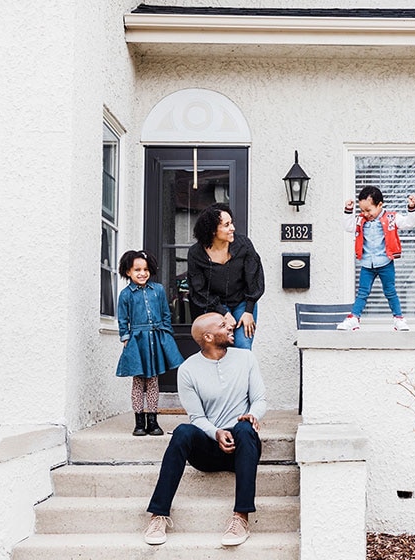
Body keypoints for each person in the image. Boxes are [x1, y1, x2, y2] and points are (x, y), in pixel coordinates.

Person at [143, 312, 267, 547]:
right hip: (208, 450)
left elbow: (260, 398)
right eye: (223, 325)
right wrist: (216, 433)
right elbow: (197, 417)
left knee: (244, 428)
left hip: (243, 446)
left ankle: (241, 517)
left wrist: (253, 414)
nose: (230, 325)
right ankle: (158, 515)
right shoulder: (188, 370)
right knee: (182, 431)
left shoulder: (246, 358)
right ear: (208, 337)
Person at [116, 250, 184, 436]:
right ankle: (139, 422)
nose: (142, 273)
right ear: (128, 271)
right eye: (137, 269)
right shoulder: (126, 295)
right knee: (138, 381)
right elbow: (123, 319)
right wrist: (125, 337)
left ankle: (153, 421)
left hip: (155, 338)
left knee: (153, 381)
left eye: (145, 269)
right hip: (137, 340)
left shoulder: (158, 290)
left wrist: (166, 334)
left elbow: (165, 313)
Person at [337, 186, 415, 331]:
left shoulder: (391, 218)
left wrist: (411, 208)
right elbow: (348, 226)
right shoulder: (360, 220)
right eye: (362, 210)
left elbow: (409, 223)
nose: (366, 214)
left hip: (385, 262)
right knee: (362, 292)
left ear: (380, 205)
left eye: (369, 210)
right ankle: (354, 318)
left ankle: (398, 319)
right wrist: (348, 211)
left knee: (390, 291)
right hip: (367, 263)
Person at [187, 203, 265, 350]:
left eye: (232, 223)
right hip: (212, 304)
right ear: (213, 231)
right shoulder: (196, 253)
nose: (233, 228)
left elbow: (254, 279)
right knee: (218, 346)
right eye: (227, 225)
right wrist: (224, 313)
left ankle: (242, 374)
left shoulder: (244, 245)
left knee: (242, 345)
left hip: (242, 302)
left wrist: (248, 311)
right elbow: (199, 289)